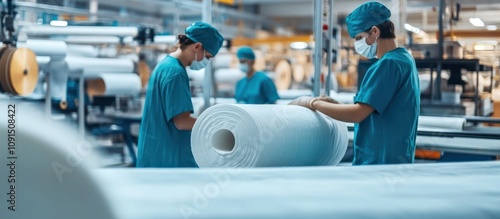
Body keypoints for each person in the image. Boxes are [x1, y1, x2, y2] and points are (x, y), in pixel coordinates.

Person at [289, 2, 420, 165]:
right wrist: (336, 104)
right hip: (395, 156)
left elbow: (357, 114)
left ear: (375, 31)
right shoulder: (405, 59)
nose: (357, 44)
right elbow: (374, 109)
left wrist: (312, 102)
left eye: (359, 38)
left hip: (380, 161)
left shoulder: (388, 65)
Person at [137, 22, 224, 168]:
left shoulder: (166, 65)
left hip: (157, 153)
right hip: (167, 158)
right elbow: (182, 122)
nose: (206, 61)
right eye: (207, 56)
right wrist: (215, 126)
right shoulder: (175, 72)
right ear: (197, 47)